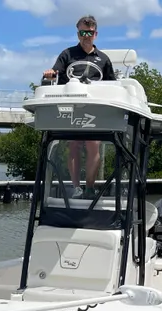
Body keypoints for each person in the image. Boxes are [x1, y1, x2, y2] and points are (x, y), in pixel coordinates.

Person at [42, 15, 117, 199]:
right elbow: (54, 73)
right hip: (71, 108)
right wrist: (50, 74)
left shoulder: (104, 59)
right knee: (74, 145)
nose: (86, 36)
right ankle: (76, 187)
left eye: (90, 33)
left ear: (95, 34)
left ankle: (89, 187)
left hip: (95, 108)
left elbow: (114, 86)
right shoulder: (67, 54)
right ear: (78, 34)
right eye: (83, 32)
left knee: (94, 145)